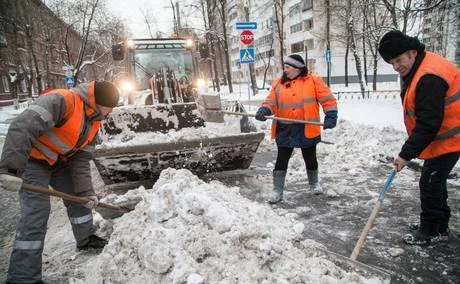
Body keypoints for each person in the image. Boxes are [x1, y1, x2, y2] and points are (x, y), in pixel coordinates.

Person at [0, 81, 120, 283]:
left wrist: (86, 193)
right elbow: (23, 126)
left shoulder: (95, 120)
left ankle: (85, 238)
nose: (110, 113)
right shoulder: (63, 101)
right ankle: (23, 277)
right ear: (98, 102)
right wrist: (10, 169)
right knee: (36, 215)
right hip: (33, 161)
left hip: (59, 163)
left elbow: (81, 161)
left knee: (79, 199)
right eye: (110, 108)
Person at [378, 30, 460, 246]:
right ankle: (439, 225)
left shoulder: (429, 77)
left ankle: (431, 230)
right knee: (434, 179)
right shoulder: (420, 67)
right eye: (391, 62)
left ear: (412, 52)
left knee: (430, 182)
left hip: (451, 138)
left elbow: (428, 123)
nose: (396, 66)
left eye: (399, 60)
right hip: (443, 137)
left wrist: (405, 155)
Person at [255, 54, 338, 204]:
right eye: (285, 67)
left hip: (307, 126)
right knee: (282, 159)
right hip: (285, 128)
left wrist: (331, 115)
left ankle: (314, 183)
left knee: (310, 157)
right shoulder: (279, 83)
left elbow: (328, 99)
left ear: (298, 68)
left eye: (288, 67)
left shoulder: (313, 80)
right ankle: (277, 190)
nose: (285, 70)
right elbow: (271, 101)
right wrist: (264, 110)